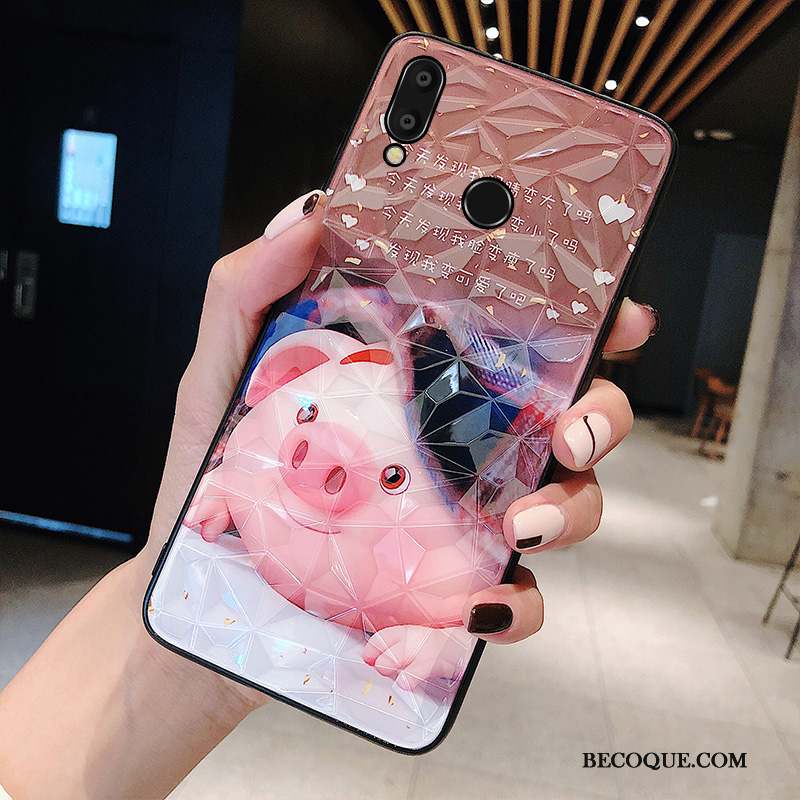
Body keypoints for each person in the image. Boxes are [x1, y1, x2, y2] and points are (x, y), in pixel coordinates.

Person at [0, 190, 658, 799]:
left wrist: (445, 639)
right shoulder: (309, 388)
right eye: (307, 412)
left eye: (397, 477)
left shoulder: (470, 476)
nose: (314, 462)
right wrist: (205, 512)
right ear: (288, 375)